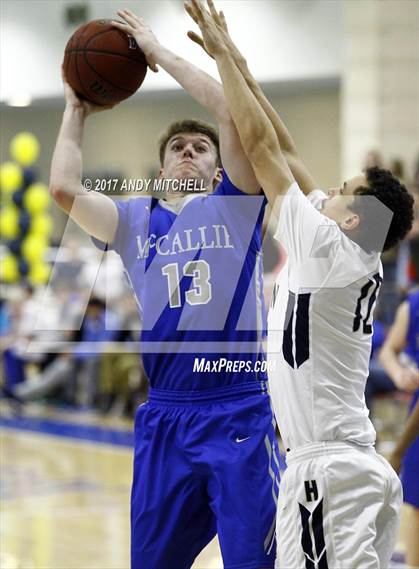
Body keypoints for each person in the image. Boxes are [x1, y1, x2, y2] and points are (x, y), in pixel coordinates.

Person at [185, 1, 415, 566]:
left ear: (354, 216)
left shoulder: (327, 246)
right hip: (347, 463)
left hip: (328, 472)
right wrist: (236, 57)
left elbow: (264, 151)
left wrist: (220, 59)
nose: (328, 189)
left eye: (341, 188)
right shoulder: (353, 249)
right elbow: (284, 148)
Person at [49, 9, 281, 568]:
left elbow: (230, 110)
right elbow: (61, 186)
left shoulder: (236, 206)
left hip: (238, 408)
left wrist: (160, 53)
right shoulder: (135, 220)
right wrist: (75, 109)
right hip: (166, 415)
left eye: (200, 148)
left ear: (220, 166)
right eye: (177, 146)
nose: (188, 152)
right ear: (159, 174)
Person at [379, 289, 419, 567]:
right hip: (415, 420)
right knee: (416, 508)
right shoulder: (414, 305)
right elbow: (388, 351)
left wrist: (397, 452)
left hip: (414, 426)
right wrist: (399, 373)